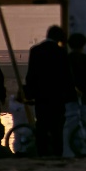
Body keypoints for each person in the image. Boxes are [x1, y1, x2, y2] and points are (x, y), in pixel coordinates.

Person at [25, 25, 75, 157]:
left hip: (41, 96)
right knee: (57, 127)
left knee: (41, 124)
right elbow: (66, 76)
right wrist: (71, 95)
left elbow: (31, 75)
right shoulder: (61, 52)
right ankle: (57, 153)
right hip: (57, 96)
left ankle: (42, 152)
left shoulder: (35, 50)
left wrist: (29, 93)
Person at [63, 33, 86, 157]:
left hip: (70, 97)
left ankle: (71, 150)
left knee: (70, 123)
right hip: (85, 96)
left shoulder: (66, 59)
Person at [7, 89, 34, 155]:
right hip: (21, 130)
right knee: (20, 143)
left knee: (25, 142)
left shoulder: (14, 104)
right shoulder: (16, 106)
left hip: (26, 130)